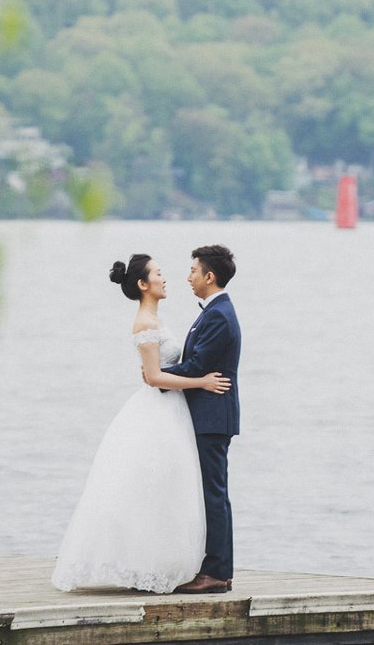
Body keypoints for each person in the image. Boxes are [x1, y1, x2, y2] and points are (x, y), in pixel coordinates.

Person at [51, 254, 232, 594]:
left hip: (173, 410)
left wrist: (179, 376)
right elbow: (154, 377)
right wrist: (202, 382)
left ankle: (166, 562)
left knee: (169, 489)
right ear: (143, 284)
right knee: (149, 486)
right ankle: (145, 563)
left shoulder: (157, 319)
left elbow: (162, 371)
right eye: (158, 273)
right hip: (158, 411)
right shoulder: (145, 322)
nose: (166, 278)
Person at [161, 244, 241, 595]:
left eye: (193, 271)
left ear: (210, 276)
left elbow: (196, 366)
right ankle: (214, 568)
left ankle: (217, 572)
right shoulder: (214, 312)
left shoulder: (219, 315)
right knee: (211, 492)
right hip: (207, 415)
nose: (188, 277)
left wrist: (157, 377)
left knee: (214, 495)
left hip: (212, 416)